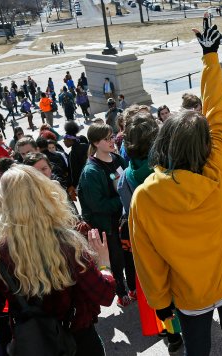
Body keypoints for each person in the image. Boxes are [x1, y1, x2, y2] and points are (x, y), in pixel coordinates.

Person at [129, 18, 222, 356]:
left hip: (190, 294)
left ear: (164, 143)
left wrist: (160, 302)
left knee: (197, 349)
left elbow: (147, 258)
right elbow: (217, 112)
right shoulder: (220, 162)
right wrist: (210, 57)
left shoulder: (146, 195)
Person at [0, 164, 116, 355]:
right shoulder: (68, 243)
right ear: (45, 195)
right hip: (79, 340)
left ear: (1, 203)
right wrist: (104, 264)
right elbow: (105, 295)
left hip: (34, 343)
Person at [116, 111, 184, 352]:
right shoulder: (172, 168)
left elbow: (130, 213)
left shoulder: (124, 179)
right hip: (176, 237)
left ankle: (171, 332)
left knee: (161, 290)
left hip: (149, 243)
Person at [78, 123, 134, 308]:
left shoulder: (118, 159)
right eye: (107, 139)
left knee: (129, 256)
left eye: (112, 137)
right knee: (116, 260)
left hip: (125, 220)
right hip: (107, 226)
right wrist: (124, 198)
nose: (112, 141)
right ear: (95, 142)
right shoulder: (91, 171)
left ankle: (132, 287)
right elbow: (97, 205)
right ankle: (120, 291)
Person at [63, 121, 89, 202]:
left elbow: (74, 172)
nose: (64, 142)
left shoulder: (73, 153)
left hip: (83, 184)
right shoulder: (86, 146)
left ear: (70, 140)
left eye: (65, 140)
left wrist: (73, 185)